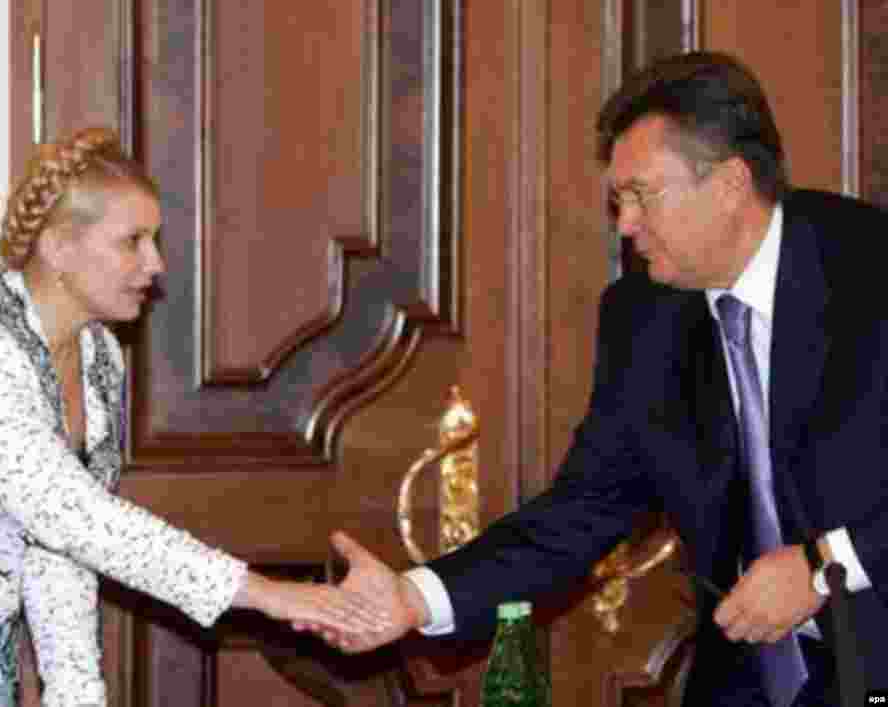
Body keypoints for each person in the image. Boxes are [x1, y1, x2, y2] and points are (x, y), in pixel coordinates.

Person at [301, 51, 888, 706]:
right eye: (618, 200)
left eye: (640, 196)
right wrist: (416, 598)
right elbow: (584, 509)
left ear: (728, 184)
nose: (625, 224)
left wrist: (824, 564)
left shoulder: (871, 271)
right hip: (748, 681)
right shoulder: (645, 319)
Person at [0, 127, 387, 707]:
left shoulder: (97, 355)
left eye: (154, 240)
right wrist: (269, 594)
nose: (155, 263)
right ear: (58, 248)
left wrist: (77, 696)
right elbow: (75, 517)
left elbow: (59, 553)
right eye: (132, 241)